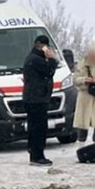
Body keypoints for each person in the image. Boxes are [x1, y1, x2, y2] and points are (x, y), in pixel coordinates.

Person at [22, 35, 59, 166]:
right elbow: (49, 72)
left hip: (33, 98)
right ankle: (37, 155)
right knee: (39, 128)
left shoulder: (32, 58)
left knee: (34, 127)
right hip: (37, 99)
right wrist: (52, 59)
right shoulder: (36, 60)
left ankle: (33, 152)